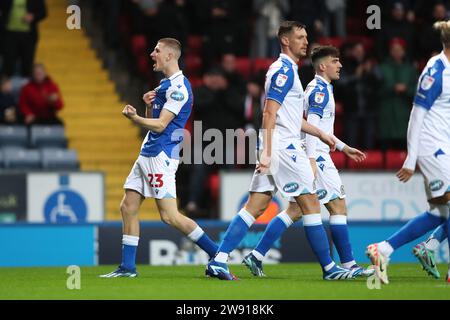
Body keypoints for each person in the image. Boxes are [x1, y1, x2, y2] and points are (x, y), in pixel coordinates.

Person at [205, 21, 362, 281]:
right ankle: (330, 268)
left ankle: (219, 260)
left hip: (277, 142)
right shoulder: (283, 71)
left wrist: (321, 133)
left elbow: (289, 116)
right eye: (300, 37)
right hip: (284, 146)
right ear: (285, 41)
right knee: (309, 203)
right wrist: (266, 152)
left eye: (306, 37)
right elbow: (269, 112)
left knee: (256, 205)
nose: (305, 42)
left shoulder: (289, 71)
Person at [242, 45, 374, 278]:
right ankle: (348, 265)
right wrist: (312, 159)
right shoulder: (318, 91)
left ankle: (257, 255)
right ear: (323, 66)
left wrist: (344, 148)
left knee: (295, 209)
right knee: (337, 206)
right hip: (317, 156)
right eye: (335, 61)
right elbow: (311, 125)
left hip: (316, 152)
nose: (340, 65)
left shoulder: (321, 88)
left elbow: (320, 128)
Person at [100, 38, 218, 278]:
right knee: (128, 206)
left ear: (170, 56)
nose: (152, 54)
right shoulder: (164, 85)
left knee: (169, 216)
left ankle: (219, 254)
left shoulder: (178, 88)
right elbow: (155, 122)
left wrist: (134, 118)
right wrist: (146, 109)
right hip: (147, 153)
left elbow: (162, 125)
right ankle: (127, 268)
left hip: (160, 156)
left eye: (157, 50)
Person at [366, 21, 450, 284]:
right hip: (431, 147)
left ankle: (384, 249)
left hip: (443, 145)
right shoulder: (436, 71)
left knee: (439, 213)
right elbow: (417, 114)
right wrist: (411, 158)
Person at [0, 0, 47, 77]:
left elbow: (43, 12)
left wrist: (33, 16)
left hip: (28, 36)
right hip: (9, 34)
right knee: (8, 63)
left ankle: (26, 86)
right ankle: (4, 85)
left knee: (27, 64)